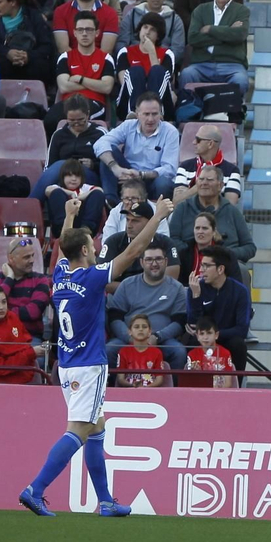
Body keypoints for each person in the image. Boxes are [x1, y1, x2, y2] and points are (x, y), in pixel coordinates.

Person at [20, 195, 174, 516]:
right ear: (88, 251)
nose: (95, 248)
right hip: (89, 366)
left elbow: (65, 248)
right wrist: (156, 217)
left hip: (67, 366)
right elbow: (132, 252)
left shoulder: (60, 275)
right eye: (92, 244)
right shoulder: (92, 279)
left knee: (97, 429)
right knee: (78, 430)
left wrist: (68, 215)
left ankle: (105, 501)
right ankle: (36, 489)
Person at [181, 0, 251, 112]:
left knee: (241, 81)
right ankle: (190, 112)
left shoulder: (241, 10)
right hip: (202, 65)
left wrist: (210, 29)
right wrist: (227, 32)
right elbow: (193, 38)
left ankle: (226, 114)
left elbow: (239, 35)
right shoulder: (200, 10)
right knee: (187, 74)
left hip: (232, 65)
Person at [93, 93, 179, 202]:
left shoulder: (170, 131)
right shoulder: (128, 125)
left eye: (155, 114)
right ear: (137, 114)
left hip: (151, 179)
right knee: (109, 151)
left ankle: (158, 211)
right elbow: (100, 143)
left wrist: (141, 175)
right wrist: (116, 168)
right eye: (146, 114)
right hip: (127, 175)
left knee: (163, 182)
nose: (150, 119)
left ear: (161, 114)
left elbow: (170, 169)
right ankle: (110, 201)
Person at [0, 281, 45, 384]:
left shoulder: (12, 317)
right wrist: (30, 353)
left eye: (4, 302)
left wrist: (29, 353)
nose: (1, 307)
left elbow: (25, 342)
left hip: (26, 380)